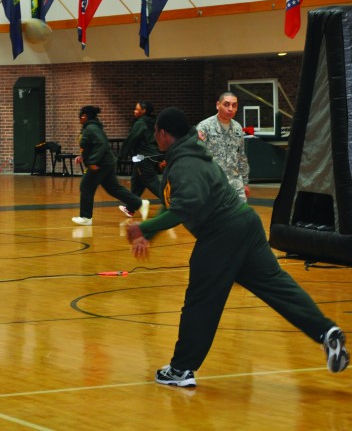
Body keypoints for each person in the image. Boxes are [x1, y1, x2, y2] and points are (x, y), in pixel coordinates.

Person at [126, 107, 348, 388]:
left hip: (221, 234)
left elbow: (184, 208)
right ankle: (326, 331)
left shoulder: (185, 163)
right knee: (277, 286)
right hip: (245, 224)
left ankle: (181, 369)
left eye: (156, 131)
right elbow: (170, 203)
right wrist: (150, 235)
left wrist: (142, 229)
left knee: (201, 302)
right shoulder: (187, 153)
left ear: (163, 134)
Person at [72, 105, 142, 226]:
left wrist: (92, 161)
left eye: (81, 116)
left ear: (84, 116)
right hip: (106, 162)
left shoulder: (91, 128)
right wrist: (83, 157)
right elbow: (91, 146)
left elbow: (101, 144)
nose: (79, 118)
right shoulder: (92, 127)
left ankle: (86, 217)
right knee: (113, 188)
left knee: (86, 186)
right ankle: (139, 203)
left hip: (100, 164)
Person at [196, 92, 250, 202]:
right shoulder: (204, 127)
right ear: (218, 105)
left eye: (234, 105)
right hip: (212, 184)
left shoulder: (238, 128)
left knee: (241, 216)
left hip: (235, 185)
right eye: (226, 104)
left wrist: (245, 182)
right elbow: (196, 156)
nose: (230, 109)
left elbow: (241, 157)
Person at [119, 101, 163, 220]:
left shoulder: (141, 123)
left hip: (143, 157)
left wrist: (121, 156)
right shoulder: (152, 122)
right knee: (137, 182)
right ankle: (130, 208)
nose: (135, 111)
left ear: (143, 111)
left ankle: (172, 203)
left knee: (151, 182)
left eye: (137, 109)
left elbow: (131, 139)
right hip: (148, 156)